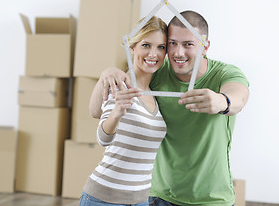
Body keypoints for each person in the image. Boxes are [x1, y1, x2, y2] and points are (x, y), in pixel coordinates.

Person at [89, 10, 249, 206]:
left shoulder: (224, 73)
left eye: (188, 44)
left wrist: (222, 102)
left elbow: (238, 97)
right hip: (159, 197)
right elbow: (98, 111)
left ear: (205, 46)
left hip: (212, 199)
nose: (178, 53)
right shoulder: (156, 71)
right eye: (172, 43)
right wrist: (108, 73)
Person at [80, 16, 168, 206]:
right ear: (132, 48)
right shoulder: (119, 84)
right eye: (146, 45)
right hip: (104, 199)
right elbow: (103, 139)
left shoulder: (154, 93)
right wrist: (117, 112)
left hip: (141, 200)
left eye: (160, 47)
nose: (153, 53)